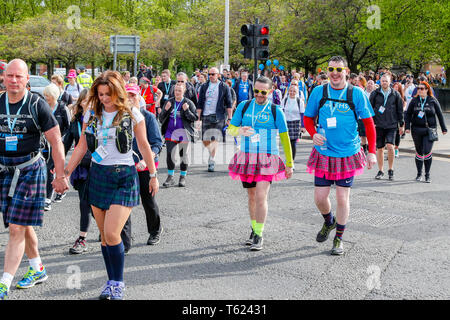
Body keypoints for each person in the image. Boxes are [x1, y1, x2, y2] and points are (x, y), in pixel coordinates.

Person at [64, 70, 159, 300]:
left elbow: (144, 145)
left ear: (117, 92)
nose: (105, 98)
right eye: (101, 94)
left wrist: (153, 174)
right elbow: (81, 147)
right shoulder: (92, 114)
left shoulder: (132, 113)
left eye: (108, 93)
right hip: (98, 175)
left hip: (124, 176)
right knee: (105, 238)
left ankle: (118, 283)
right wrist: (65, 173)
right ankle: (110, 281)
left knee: (112, 233)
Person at [0, 59, 69, 300]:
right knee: (21, 222)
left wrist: (60, 176)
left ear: (27, 78)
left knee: (17, 226)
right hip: (5, 170)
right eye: (10, 76)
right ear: (4, 77)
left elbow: (56, 141)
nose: (14, 80)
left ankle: (3, 284)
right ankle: (37, 268)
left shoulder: (36, 104)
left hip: (30, 169)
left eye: (19, 76)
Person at [303, 56, 377, 256]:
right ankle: (329, 221)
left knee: (342, 198)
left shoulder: (357, 93)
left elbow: (369, 124)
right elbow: (308, 118)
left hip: (347, 152)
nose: (334, 73)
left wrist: (371, 152)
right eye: (331, 69)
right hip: (324, 152)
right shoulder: (319, 91)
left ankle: (339, 239)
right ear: (327, 71)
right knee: (320, 198)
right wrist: (313, 134)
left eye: (339, 69)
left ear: (346, 71)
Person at [227, 76, 294, 251]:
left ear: (270, 92)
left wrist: (289, 162)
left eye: (263, 92)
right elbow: (230, 129)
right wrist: (239, 130)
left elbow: (285, 138)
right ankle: (254, 228)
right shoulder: (244, 106)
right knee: (251, 196)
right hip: (247, 157)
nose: (259, 95)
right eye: (256, 91)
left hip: (267, 158)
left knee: (260, 195)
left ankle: (259, 234)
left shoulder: (275, 110)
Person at [121, 83, 164, 251]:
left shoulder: (148, 117)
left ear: (139, 97)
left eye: (133, 95)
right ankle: (124, 237)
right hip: (126, 166)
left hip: (145, 166)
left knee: (148, 200)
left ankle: (155, 230)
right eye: (127, 96)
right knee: (124, 202)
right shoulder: (122, 117)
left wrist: (147, 160)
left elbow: (156, 143)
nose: (130, 99)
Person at [63, 89, 93, 254]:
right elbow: (66, 143)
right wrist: (57, 164)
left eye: (90, 100)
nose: (87, 103)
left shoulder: (102, 118)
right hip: (81, 166)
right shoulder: (75, 121)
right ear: (80, 102)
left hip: (99, 166)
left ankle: (114, 232)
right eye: (84, 100)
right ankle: (82, 239)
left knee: (97, 205)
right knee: (84, 202)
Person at [405, 81, 447, 183]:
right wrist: (407, 127)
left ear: (427, 90)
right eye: (418, 88)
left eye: (422, 88)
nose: (419, 90)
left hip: (430, 130)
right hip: (416, 129)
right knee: (419, 152)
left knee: (427, 151)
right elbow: (408, 114)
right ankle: (419, 174)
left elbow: (440, 115)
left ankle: (427, 175)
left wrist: (443, 128)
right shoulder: (414, 101)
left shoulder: (433, 100)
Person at [160, 83, 198, 187]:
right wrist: (166, 110)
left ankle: (182, 177)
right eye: (175, 90)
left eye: (179, 91)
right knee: (169, 155)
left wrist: (187, 110)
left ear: (184, 91)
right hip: (170, 132)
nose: (177, 93)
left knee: (183, 155)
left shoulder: (188, 103)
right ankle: (170, 177)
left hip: (183, 133)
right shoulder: (169, 102)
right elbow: (161, 118)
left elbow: (194, 117)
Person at [196, 67, 233, 172]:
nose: (211, 76)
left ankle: (212, 159)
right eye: (210, 74)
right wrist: (198, 118)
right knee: (205, 139)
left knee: (215, 138)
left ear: (218, 75)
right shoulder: (204, 86)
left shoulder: (224, 87)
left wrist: (229, 118)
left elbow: (229, 103)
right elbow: (200, 102)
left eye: (213, 74)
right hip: (206, 114)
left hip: (219, 116)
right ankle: (211, 152)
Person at [370, 74, 404, 181]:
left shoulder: (396, 94)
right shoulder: (375, 93)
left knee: (390, 146)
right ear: (380, 82)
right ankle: (381, 170)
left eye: (386, 81)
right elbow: (370, 109)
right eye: (382, 81)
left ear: (390, 82)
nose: (384, 83)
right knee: (379, 148)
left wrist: (401, 124)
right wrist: (371, 123)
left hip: (391, 125)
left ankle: (391, 169)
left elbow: (400, 110)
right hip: (378, 125)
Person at [42, 83, 71, 210]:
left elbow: (69, 127)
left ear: (54, 95)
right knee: (45, 168)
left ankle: (47, 198)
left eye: (47, 95)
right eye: (45, 95)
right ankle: (56, 190)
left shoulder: (62, 108)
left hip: (58, 143)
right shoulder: (43, 107)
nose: (45, 97)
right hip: (44, 144)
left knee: (50, 168)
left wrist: (61, 139)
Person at [280, 85, 305, 167]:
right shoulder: (285, 100)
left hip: (295, 123)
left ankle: (292, 162)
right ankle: (288, 159)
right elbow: (281, 112)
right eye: (290, 91)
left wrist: (303, 126)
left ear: (296, 92)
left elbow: (302, 114)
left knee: (293, 143)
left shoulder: (299, 101)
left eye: (294, 91)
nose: (292, 93)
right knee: (287, 142)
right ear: (288, 91)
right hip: (286, 122)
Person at [392, 82, 406, 158]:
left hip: (399, 117)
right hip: (391, 118)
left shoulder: (402, 96)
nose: (396, 88)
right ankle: (391, 150)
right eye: (395, 87)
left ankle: (396, 149)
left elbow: (405, 106)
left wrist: (402, 109)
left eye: (397, 87)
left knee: (397, 134)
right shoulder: (390, 95)